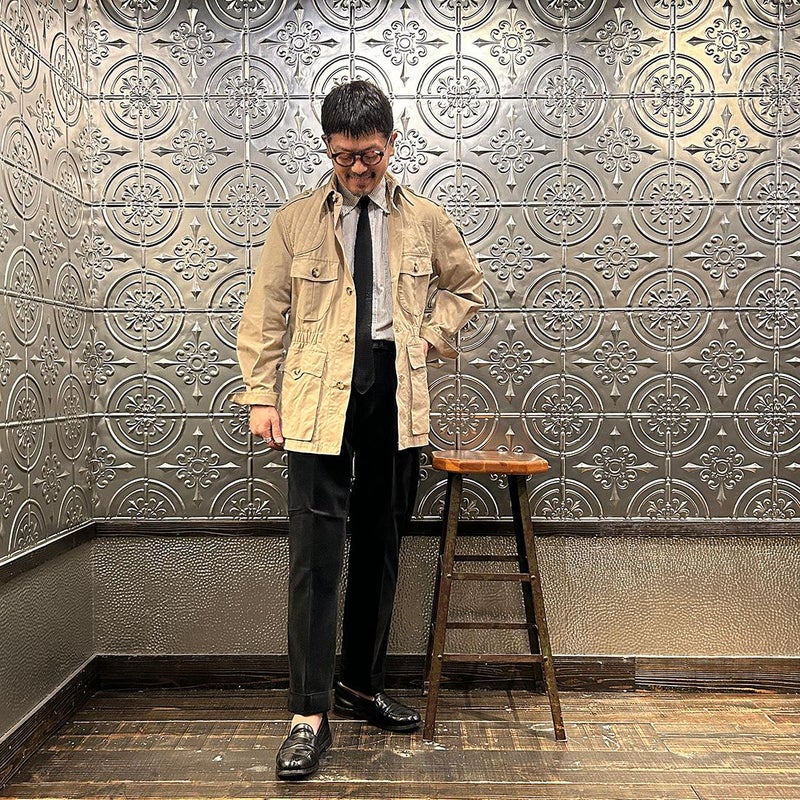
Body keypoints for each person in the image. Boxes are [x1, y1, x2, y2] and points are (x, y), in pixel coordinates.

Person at [233, 79, 484, 780]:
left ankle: (362, 685)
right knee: (315, 557)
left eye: (370, 154)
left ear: (392, 144)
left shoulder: (425, 218)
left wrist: (430, 335)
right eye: (344, 156)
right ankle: (308, 714)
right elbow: (265, 314)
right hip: (317, 401)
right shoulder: (294, 222)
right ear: (327, 148)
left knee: (380, 546)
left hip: (396, 400)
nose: (358, 169)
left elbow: (467, 286)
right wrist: (260, 395)